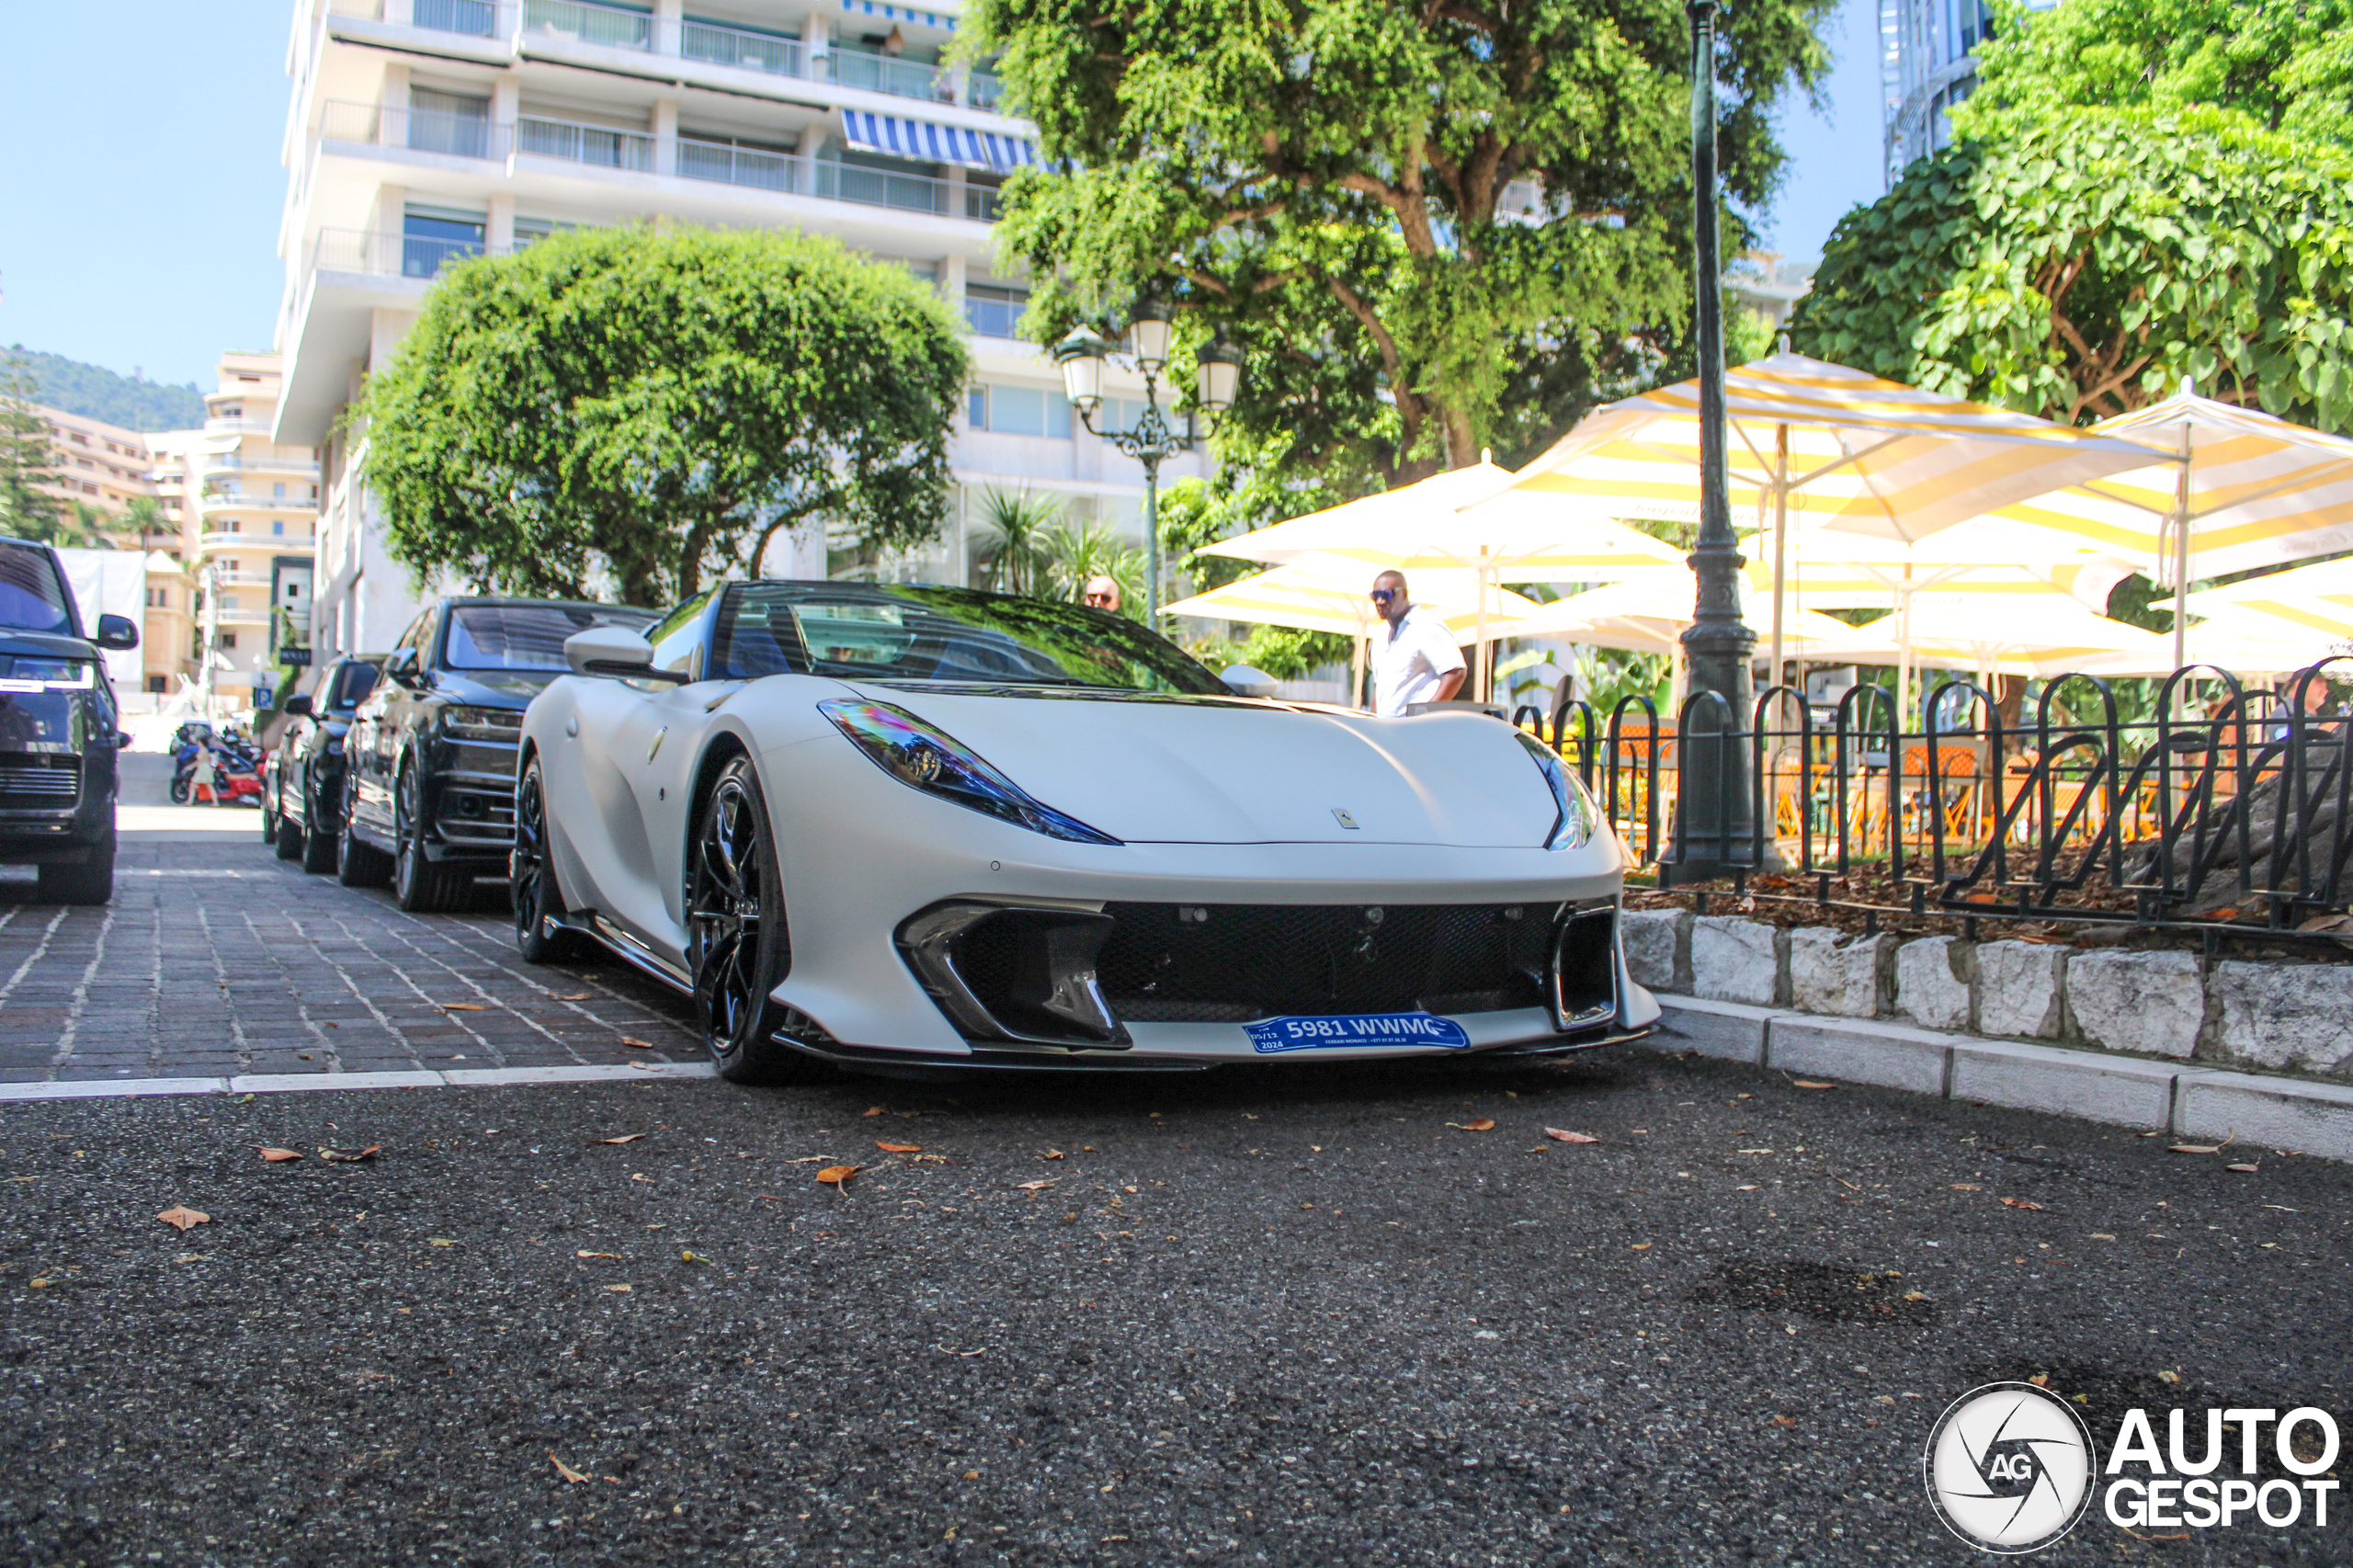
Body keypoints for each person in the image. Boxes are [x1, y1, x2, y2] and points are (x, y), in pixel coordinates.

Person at [1368, 570, 1465, 716]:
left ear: (1404, 594)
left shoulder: (1424, 625)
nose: (1380, 601)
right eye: (1375, 596)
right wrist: (1373, 721)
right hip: (1384, 730)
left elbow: (1456, 671)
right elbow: (1379, 686)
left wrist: (1426, 715)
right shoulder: (1381, 633)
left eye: (1387, 594)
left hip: (1413, 729)